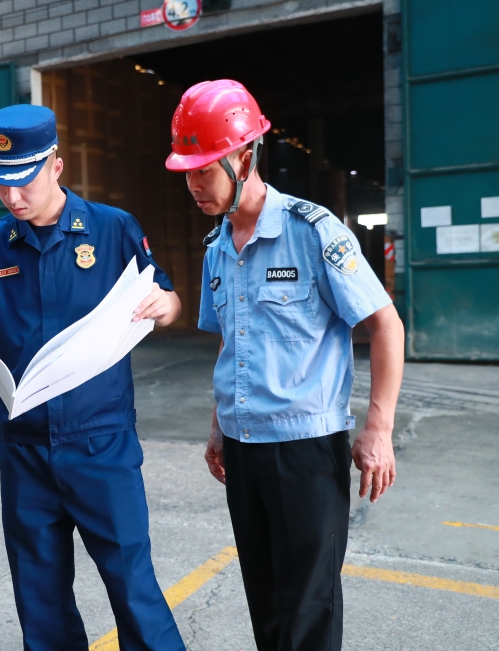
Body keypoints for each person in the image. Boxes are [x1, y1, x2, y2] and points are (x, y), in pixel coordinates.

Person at [0, 104, 187, 651]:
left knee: (133, 586)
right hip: (25, 448)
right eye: (0, 185)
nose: (11, 198)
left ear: (54, 165)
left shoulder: (112, 228)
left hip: (101, 443)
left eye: (21, 181)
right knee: (40, 595)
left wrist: (163, 305)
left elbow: (167, 297)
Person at [165, 79, 404, 650]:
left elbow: (385, 325)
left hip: (306, 451)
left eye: (204, 170)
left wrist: (379, 427)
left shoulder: (313, 231)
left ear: (244, 159)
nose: (194, 185)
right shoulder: (217, 246)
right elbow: (230, 344)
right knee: (265, 602)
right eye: (187, 172)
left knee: (307, 610)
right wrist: (219, 426)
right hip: (245, 450)